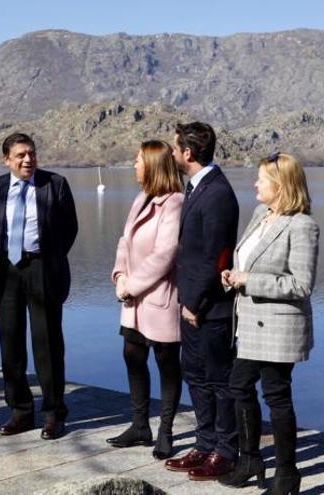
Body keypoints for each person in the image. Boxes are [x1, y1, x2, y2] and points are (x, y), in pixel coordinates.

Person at [218, 152, 319, 495]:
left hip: (279, 327)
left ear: (281, 185)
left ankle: (287, 474)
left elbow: (301, 285)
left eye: (261, 179)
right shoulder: (261, 214)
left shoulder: (303, 226)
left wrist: (250, 280)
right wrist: (233, 277)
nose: (255, 184)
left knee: (276, 395)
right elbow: (246, 258)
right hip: (248, 323)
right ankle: (250, 460)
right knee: (239, 386)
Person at [0, 132, 78, 440]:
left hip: (42, 269)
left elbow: (69, 229)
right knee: (10, 345)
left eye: (32, 153)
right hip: (6, 272)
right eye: (20, 155)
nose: (28, 159)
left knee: (47, 344)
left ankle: (53, 413)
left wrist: (46, 258)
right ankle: (20, 411)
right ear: (7, 159)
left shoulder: (55, 184)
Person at [165, 122, 240, 480]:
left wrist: (194, 302)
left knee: (219, 379)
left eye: (176, 148)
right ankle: (204, 443)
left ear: (188, 153)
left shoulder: (218, 194)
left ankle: (225, 450)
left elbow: (216, 256)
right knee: (195, 375)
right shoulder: (196, 188)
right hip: (192, 305)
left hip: (210, 308)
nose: (173, 153)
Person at [108, 140, 184, 460]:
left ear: (153, 165)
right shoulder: (141, 199)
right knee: (132, 355)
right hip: (133, 299)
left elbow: (165, 255)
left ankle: (165, 431)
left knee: (167, 363)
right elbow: (125, 242)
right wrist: (119, 276)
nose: (134, 165)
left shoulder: (175, 203)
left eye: (138, 160)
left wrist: (132, 285)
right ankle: (140, 425)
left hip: (159, 299)